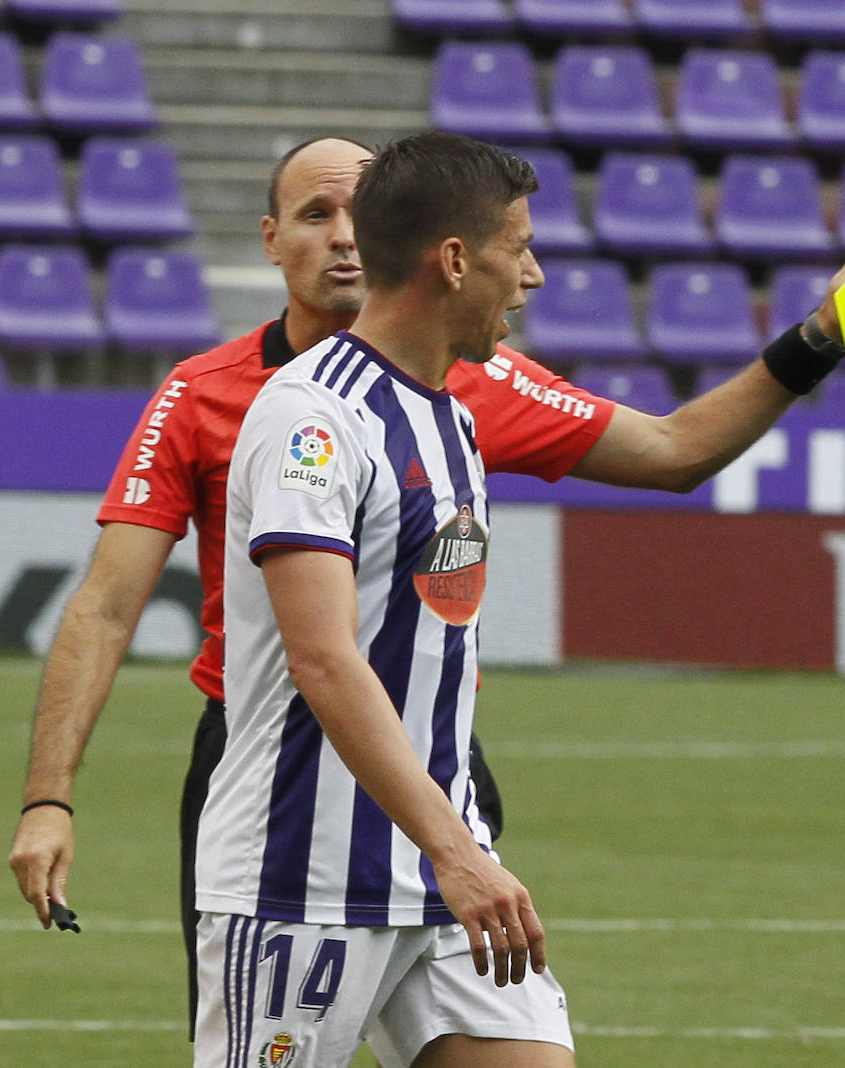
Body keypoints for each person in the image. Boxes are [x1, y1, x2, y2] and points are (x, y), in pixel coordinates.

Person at [8, 134, 845, 1029]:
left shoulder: (479, 382)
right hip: (286, 785)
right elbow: (114, 603)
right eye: (317, 216)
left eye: (360, 213)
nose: (345, 238)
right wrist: (49, 797)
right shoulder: (234, 400)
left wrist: (822, 336)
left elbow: (674, 450)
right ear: (272, 238)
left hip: (437, 784)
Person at [197, 129, 563, 1067]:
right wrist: (456, 850)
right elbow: (324, 658)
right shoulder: (312, 416)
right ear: (452, 261)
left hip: (441, 870)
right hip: (305, 877)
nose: (532, 274)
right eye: (515, 247)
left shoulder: (452, 416)